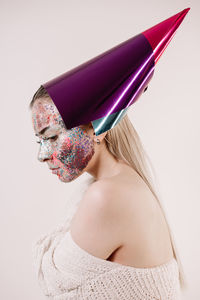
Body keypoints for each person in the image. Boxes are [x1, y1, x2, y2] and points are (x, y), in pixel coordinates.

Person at [30, 86, 186, 299]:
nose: (42, 155)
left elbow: (52, 282)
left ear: (98, 128)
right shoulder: (118, 181)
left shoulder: (107, 195)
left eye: (52, 137)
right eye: (39, 141)